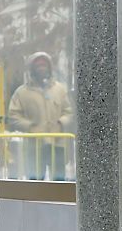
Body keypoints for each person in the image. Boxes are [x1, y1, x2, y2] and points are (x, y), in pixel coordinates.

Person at [7, 51, 73, 180]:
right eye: (38, 66)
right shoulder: (22, 93)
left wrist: (60, 124)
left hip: (57, 144)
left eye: (44, 65)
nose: (41, 68)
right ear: (32, 69)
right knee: (35, 183)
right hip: (35, 146)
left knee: (59, 183)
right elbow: (13, 116)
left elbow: (68, 112)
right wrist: (30, 127)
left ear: (49, 68)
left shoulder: (60, 89)